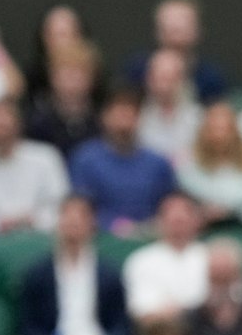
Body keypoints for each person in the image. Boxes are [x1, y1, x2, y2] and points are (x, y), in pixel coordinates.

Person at [14, 192, 127, 335]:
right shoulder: (38, 273)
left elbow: (120, 322)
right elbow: (28, 324)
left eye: (81, 216)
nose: (73, 222)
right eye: (67, 214)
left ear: (92, 223)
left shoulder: (109, 273)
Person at [0, 98, 69, 238]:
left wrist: (34, 220)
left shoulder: (46, 157)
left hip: (43, 237)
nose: (1, 130)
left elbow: (61, 204)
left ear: (19, 125)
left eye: (5, 126)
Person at [68, 91, 176, 235]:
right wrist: (113, 225)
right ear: (105, 118)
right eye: (118, 116)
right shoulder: (86, 159)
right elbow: (79, 206)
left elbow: (169, 205)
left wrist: (146, 227)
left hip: (149, 238)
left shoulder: (158, 163)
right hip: (99, 239)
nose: (124, 124)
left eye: (130, 116)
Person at [124, 0, 229, 104]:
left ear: (198, 30)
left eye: (183, 24)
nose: (175, 30)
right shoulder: (137, 71)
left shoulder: (212, 78)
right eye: (168, 25)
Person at [121, 191, 207, 322]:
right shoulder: (141, 260)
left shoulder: (211, 258)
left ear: (197, 220)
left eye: (183, 217)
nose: (178, 221)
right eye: (172, 217)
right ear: (159, 220)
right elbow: (142, 311)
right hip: (158, 334)